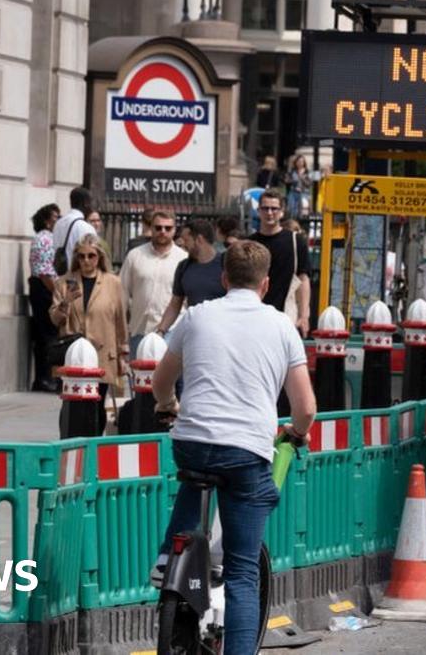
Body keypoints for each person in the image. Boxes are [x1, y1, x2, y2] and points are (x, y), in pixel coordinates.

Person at [151, 240, 316, 655]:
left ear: (224, 279)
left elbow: (161, 381)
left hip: (192, 443)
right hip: (245, 453)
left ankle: (170, 559)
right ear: (266, 284)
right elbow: (306, 408)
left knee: (193, 481)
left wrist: (168, 404)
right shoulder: (281, 326)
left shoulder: (196, 316)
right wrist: (297, 432)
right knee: (242, 570)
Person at [50, 235, 128, 435]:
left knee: (97, 404)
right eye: (81, 256)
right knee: (70, 402)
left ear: (99, 257)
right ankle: (69, 438)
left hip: (102, 354)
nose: (86, 260)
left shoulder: (112, 283)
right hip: (73, 354)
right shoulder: (65, 282)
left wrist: (123, 353)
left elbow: (120, 320)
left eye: (91, 256)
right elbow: (55, 319)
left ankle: (93, 441)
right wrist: (66, 303)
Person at [119, 211, 187, 354]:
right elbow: (122, 294)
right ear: (151, 228)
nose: (163, 231)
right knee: (137, 369)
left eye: (168, 228)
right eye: (158, 227)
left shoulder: (184, 259)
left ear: (174, 230)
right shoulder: (134, 255)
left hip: (172, 333)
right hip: (139, 331)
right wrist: (122, 332)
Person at [249, 190, 311, 337]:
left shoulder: (296, 241)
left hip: (286, 315)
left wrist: (304, 316)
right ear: (258, 211)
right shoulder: (250, 243)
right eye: (265, 208)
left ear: (282, 212)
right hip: (255, 316)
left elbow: (303, 279)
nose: (270, 213)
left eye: (274, 208)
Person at [152, 219, 226, 337]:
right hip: (195, 334)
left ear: (199, 240)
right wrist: (161, 331)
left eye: (186, 240)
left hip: (223, 333)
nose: (183, 245)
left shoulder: (225, 264)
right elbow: (175, 304)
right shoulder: (183, 267)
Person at [28, 203, 61, 392]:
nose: (59, 221)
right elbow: (45, 273)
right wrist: (57, 293)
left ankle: (45, 378)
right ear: (47, 221)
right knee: (48, 336)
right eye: (56, 217)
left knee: (45, 336)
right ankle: (46, 378)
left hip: (42, 288)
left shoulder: (44, 238)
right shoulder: (45, 239)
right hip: (44, 289)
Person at [51, 186, 96, 272]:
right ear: (86, 203)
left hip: (60, 276)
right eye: (91, 202)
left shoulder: (58, 223)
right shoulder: (86, 227)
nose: (92, 207)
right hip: (79, 275)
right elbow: (92, 256)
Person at [284, 154, 312, 219]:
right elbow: (286, 181)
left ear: (304, 163)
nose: (300, 163)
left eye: (302, 161)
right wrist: (292, 180)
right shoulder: (292, 171)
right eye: (298, 161)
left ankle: (302, 222)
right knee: (292, 210)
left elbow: (309, 184)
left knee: (303, 210)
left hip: (304, 193)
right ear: (296, 162)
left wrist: (303, 179)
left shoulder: (307, 172)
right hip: (293, 193)